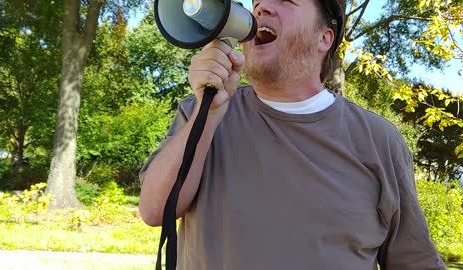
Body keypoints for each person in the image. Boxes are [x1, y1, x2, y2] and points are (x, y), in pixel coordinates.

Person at [139, 0, 446, 269]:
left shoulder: (378, 140)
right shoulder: (202, 112)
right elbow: (155, 210)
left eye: (285, 0)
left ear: (324, 37)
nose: (261, 7)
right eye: (256, 1)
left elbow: (414, 261)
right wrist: (211, 112)